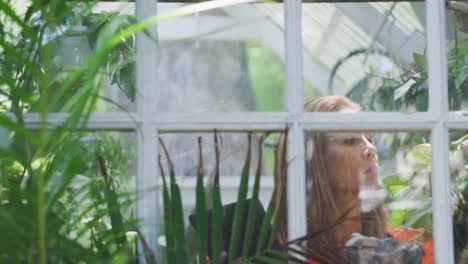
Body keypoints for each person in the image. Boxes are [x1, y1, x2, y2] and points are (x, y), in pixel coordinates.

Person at [273, 96, 432, 263]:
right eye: (350, 141)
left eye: (369, 139)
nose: (371, 148)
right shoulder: (278, 257)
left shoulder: (412, 248)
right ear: (315, 161)